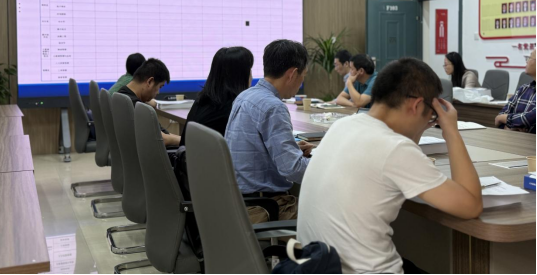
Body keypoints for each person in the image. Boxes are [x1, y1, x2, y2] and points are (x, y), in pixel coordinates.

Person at [298, 58, 483, 275]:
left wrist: (420, 124)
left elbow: (401, 148)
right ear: (416, 105)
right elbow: (471, 206)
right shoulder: (395, 149)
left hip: (314, 265)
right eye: (430, 115)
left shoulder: (342, 125)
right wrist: (451, 130)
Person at [225, 40, 314, 224]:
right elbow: (293, 170)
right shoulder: (274, 107)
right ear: (292, 74)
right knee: (335, 213)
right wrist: (328, 161)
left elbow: (252, 148)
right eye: (303, 76)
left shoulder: (245, 96)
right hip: (265, 207)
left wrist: (291, 149)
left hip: (238, 203)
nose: (301, 83)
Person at [180, 47, 254, 146]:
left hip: (191, 155)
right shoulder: (236, 108)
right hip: (214, 156)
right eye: (249, 70)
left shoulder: (202, 100)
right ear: (241, 76)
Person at [118, 58, 181, 147]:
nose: (158, 92)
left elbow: (163, 134)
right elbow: (161, 139)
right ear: (150, 82)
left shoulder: (121, 96)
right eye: (160, 87)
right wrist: (186, 141)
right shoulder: (137, 108)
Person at [495, 49, 536, 134]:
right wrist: (509, 128)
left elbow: (529, 118)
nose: (526, 61)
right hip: (513, 139)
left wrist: (503, 119)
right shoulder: (524, 89)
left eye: (529, 58)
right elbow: (501, 115)